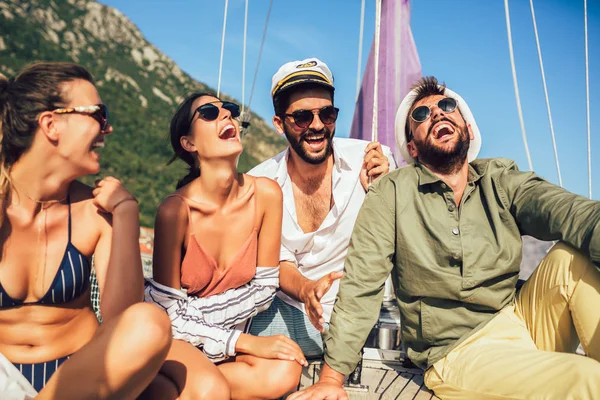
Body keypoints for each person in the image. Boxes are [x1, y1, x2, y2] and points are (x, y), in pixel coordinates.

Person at [290, 76, 600, 400]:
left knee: (569, 259)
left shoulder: (500, 179)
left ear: (466, 127)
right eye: (421, 116)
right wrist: (331, 377)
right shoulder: (392, 193)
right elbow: (361, 285)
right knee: (588, 378)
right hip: (460, 352)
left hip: (521, 319)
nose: (437, 113)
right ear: (412, 147)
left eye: (447, 106)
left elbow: (572, 213)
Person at [0, 62, 172, 399]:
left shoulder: (96, 212)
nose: (107, 129)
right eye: (98, 114)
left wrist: (126, 212)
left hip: (80, 374)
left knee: (150, 322)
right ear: (51, 124)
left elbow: (121, 318)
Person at [143, 92, 304, 400]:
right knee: (209, 391)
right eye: (208, 113)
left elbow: (266, 287)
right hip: (176, 341)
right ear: (189, 143)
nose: (226, 115)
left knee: (286, 368)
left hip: (211, 340)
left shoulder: (266, 195)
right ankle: (189, 387)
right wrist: (243, 342)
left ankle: (175, 389)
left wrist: (198, 315)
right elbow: (170, 319)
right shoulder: (175, 212)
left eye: (228, 109)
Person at [248, 57, 395, 358]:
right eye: (302, 117)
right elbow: (277, 262)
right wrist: (307, 290)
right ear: (279, 124)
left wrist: (387, 189)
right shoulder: (259, 182)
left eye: (327, 114)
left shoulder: (371, 161)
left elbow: (401, 232)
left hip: (354, 316)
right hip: (287, 306)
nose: (317, 126)